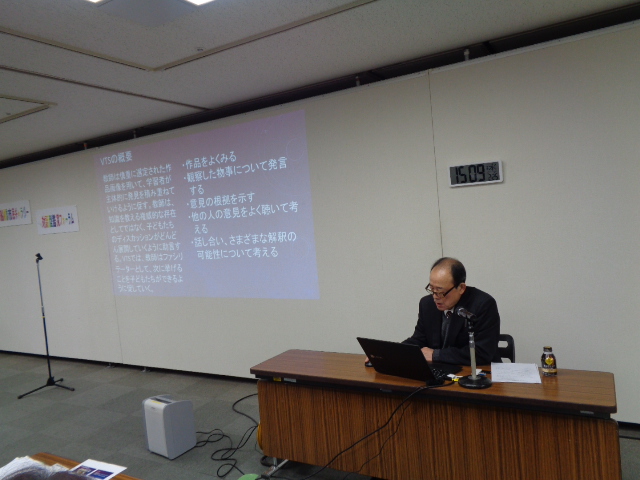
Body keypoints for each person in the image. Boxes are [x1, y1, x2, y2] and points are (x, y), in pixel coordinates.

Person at [403, 257, 501, 365]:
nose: (435, 297)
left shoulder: (483, 305)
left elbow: (482, 352)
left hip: (476, 370)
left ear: (461, 288)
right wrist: (396, 351)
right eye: (432, 289)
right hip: (442, 369)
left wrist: (436, 355)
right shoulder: (427, 304)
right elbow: (419, 339)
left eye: (441, 292)